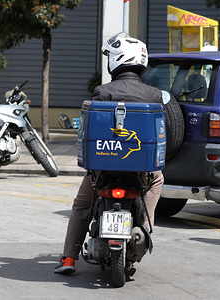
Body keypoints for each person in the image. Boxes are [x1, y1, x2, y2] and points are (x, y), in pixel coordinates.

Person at [54, 32, 165, 274]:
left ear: (117, 60)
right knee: (158, 178)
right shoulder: (154, 95)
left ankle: (69, 258)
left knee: (82, 206)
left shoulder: (102, 92)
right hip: (141, 170)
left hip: (103, 167)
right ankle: (145, 228)